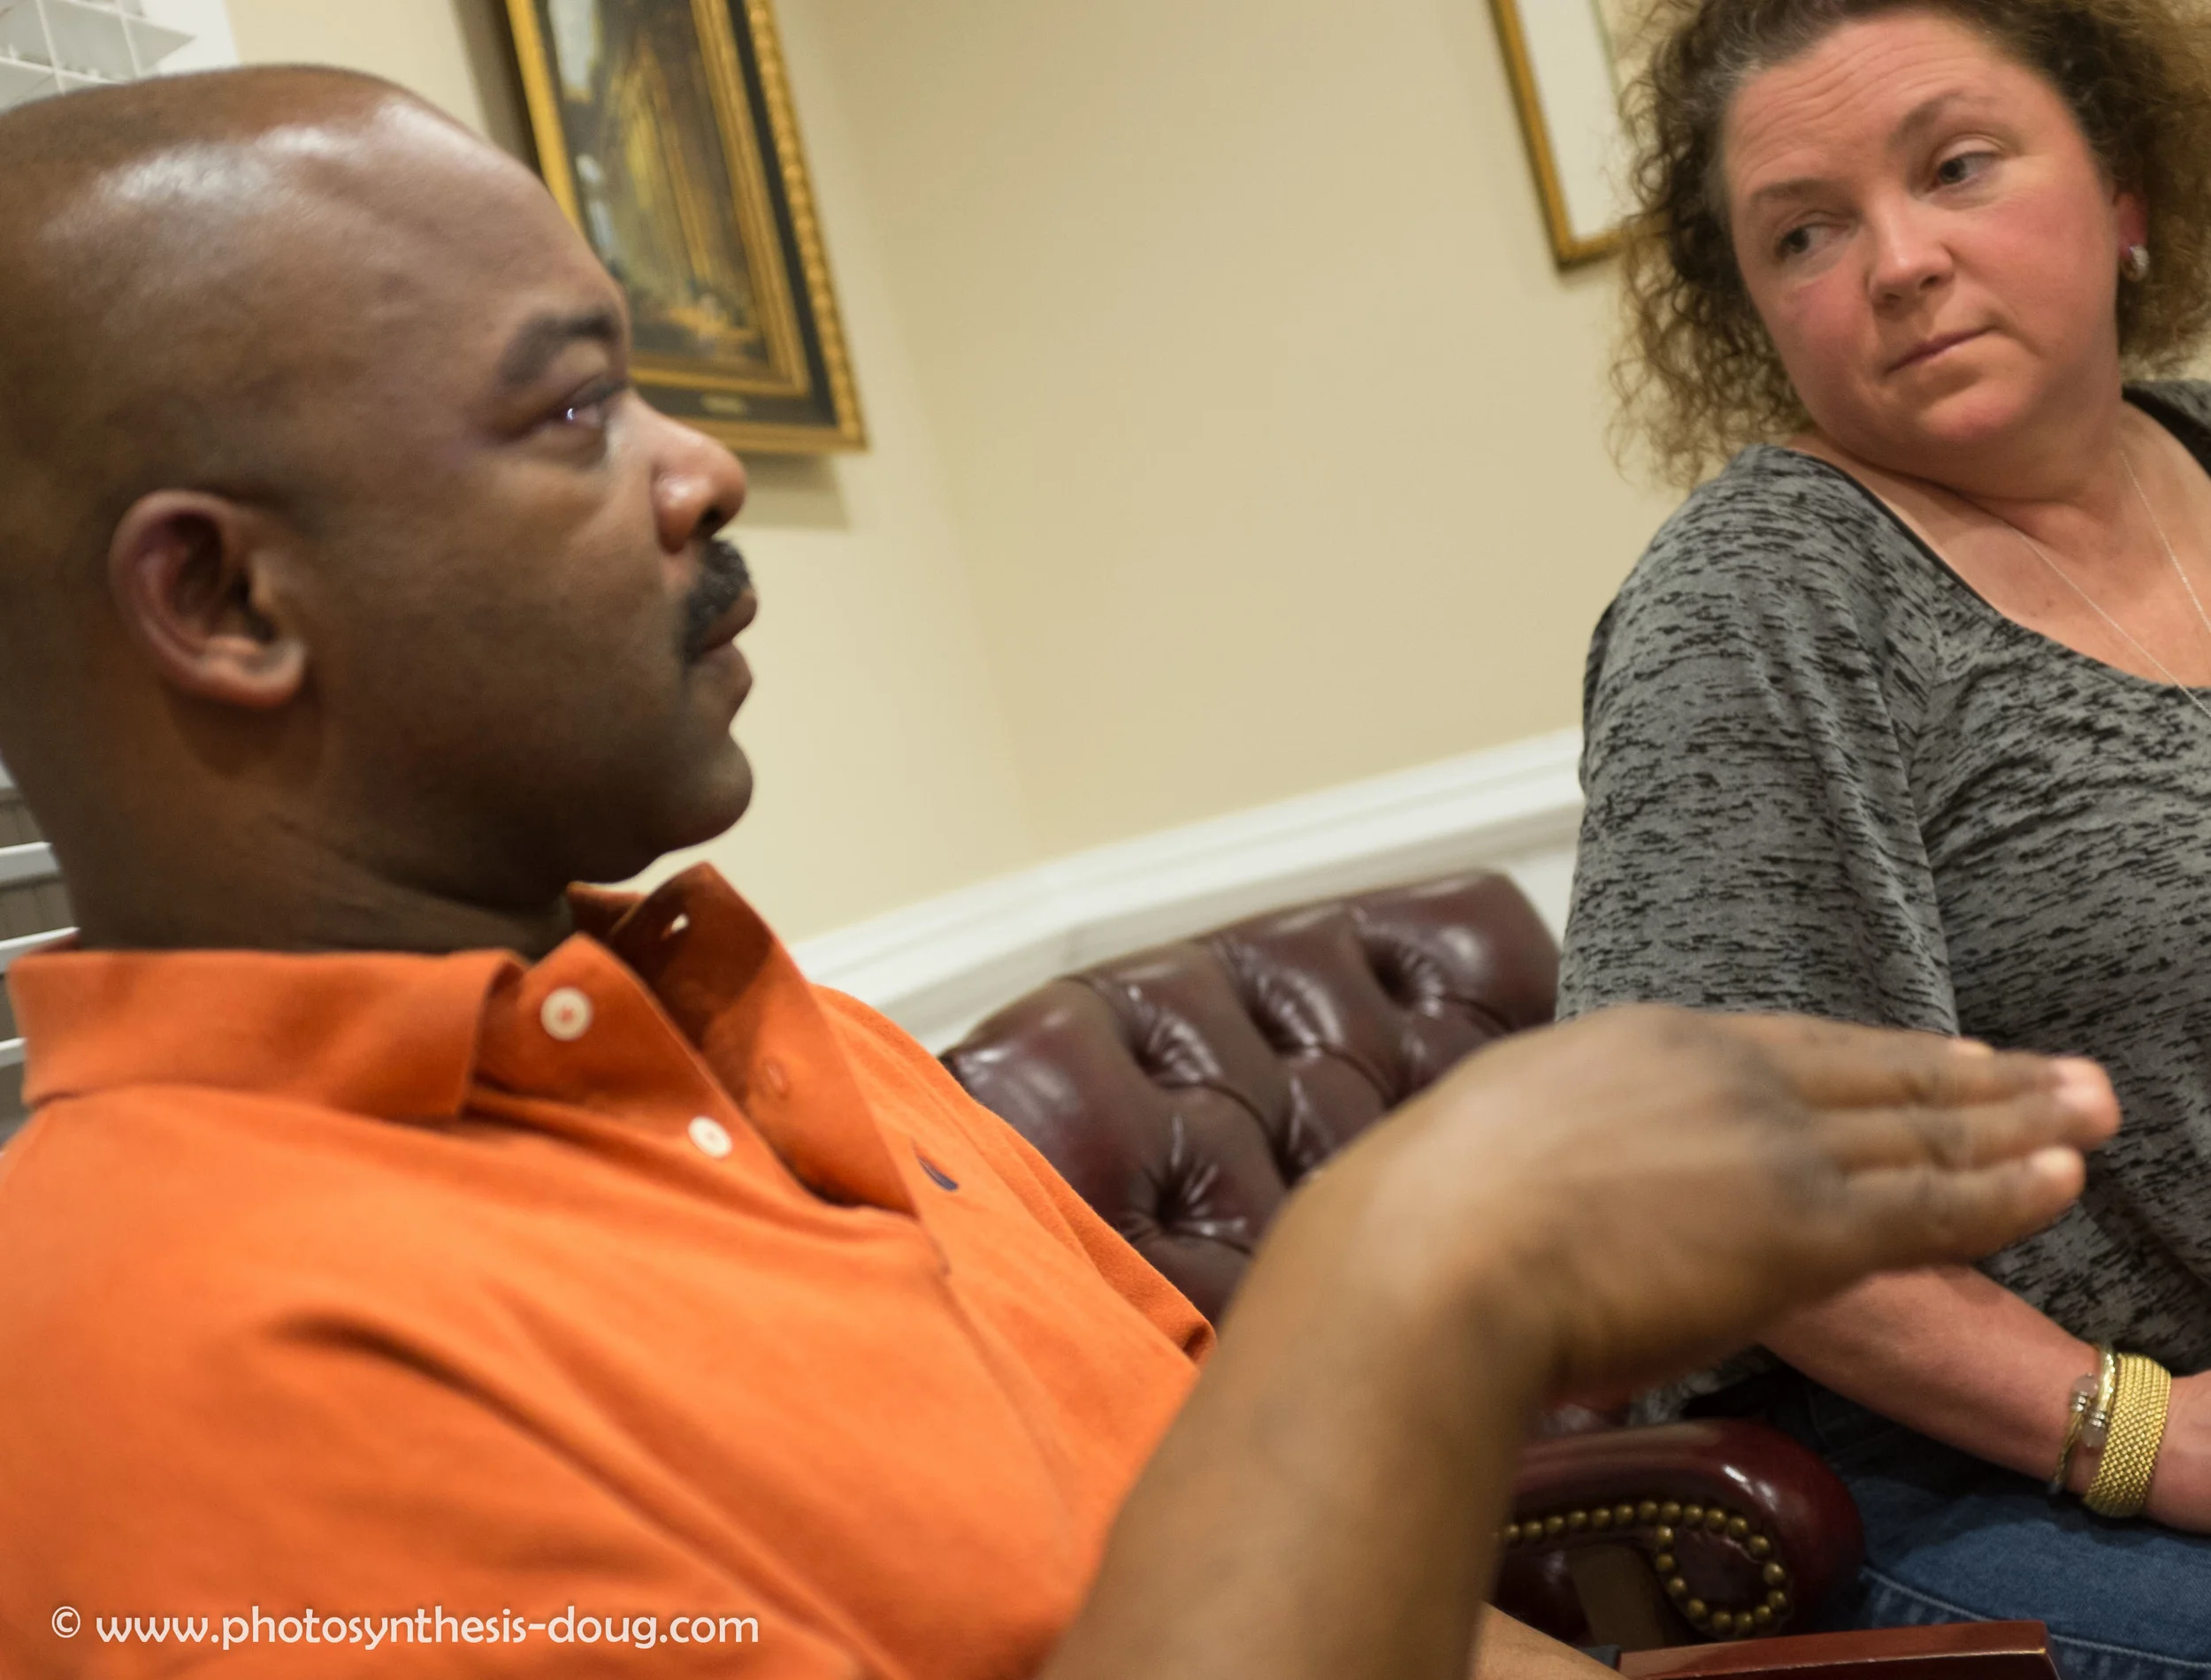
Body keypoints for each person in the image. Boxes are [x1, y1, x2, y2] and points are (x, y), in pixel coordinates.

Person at [0, 67, 2117, 1680]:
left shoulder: (800, 1043)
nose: (702, 467)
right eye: (570, 415)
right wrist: (1409, 1268)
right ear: (229, 601)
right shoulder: (156, 1365)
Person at [1560, 0, 2211, 1669]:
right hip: (1946, 1480)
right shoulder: (1757, 603)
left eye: (1960, 166)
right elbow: (1706, 1183)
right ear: (1758, 317)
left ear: (2124, 189)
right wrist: (2146, 1434)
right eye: (1806, 233)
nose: (1903, 262)